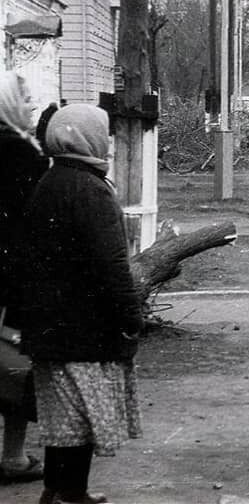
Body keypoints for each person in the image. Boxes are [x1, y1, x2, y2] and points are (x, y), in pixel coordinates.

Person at [21, 104, 143, 504]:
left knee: (63, 420)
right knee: (84, 418)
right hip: (87, 328)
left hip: (50, 324)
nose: (107, 141)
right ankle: (70, 495)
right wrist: (130, 316)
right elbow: (113, 264)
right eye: (103, 133)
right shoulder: (91, 190)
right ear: (88, 138)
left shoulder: (50, 181)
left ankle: (58, 491)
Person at [0, 72, 48, 485]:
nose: (34, 105)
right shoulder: (18, 153)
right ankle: (13, 456)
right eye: (27, 99)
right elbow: (31, 227)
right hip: (12, 280)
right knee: (15, 366)